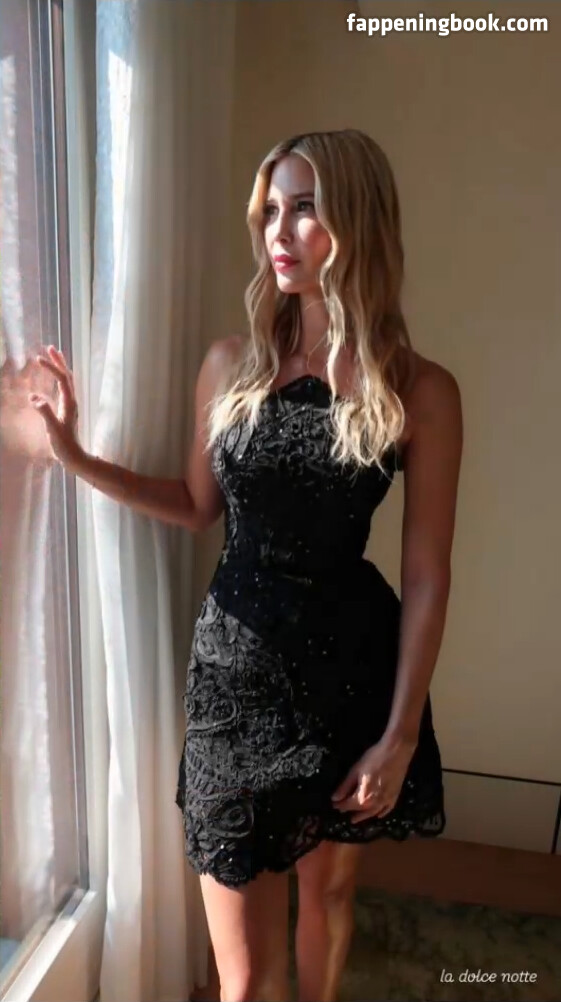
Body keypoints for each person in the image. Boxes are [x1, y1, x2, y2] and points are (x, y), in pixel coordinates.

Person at [30, 129, 463, 1002]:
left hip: (349, 673)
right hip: (235, 680)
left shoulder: (419, 389)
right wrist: (75, 457)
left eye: (304, 208)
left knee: (327, 897)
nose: (279, 231)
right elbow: (197, 507)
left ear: (356, 220)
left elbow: (426, 575)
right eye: (270, 210)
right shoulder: (231, 364)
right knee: (247, 980)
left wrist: (399, 733)